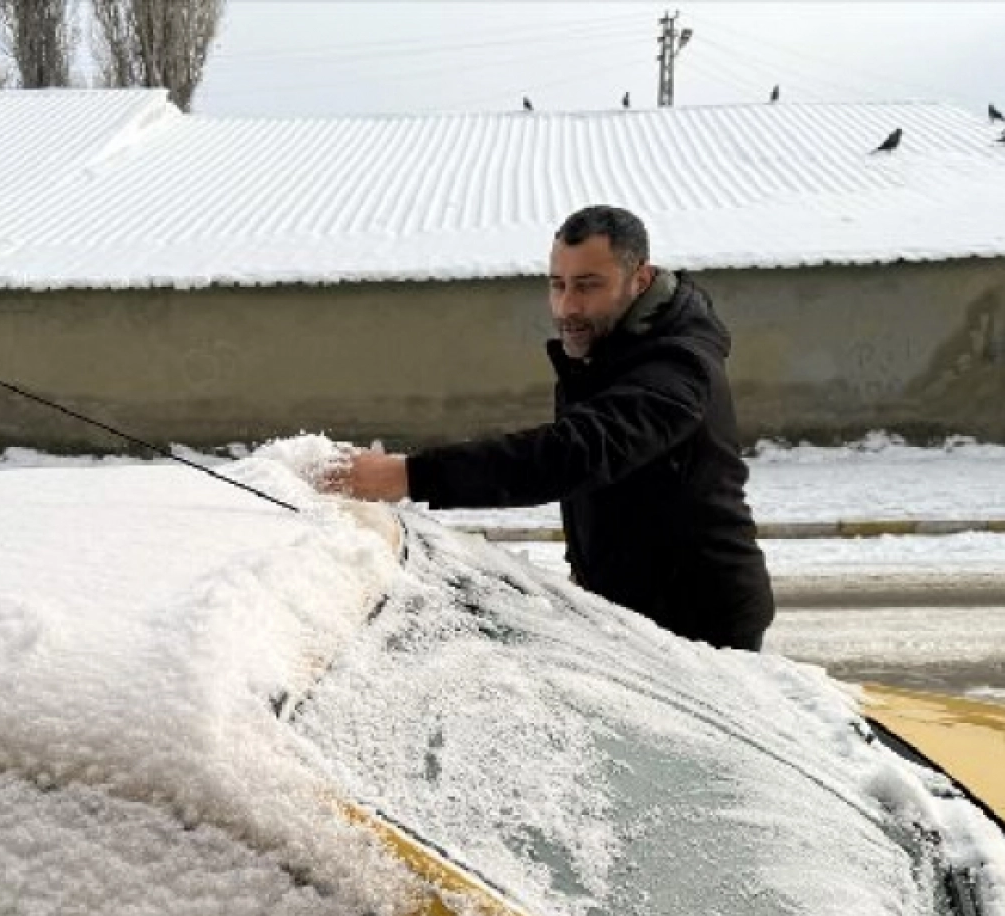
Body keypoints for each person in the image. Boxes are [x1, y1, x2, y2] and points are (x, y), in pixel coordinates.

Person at [326, 205, 775, 652]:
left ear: (639, 279)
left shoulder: (677, 366)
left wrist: (407, 474)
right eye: (557, 285)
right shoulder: (606, 352)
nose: (567, 307)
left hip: (699, 620)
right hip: (630, 610)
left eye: (587, 286)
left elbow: (574, 454)